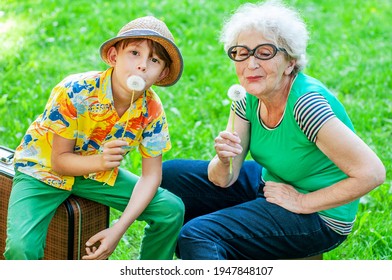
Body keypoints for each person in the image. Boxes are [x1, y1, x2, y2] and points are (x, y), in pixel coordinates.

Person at [160, 1, 386, 259]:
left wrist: (303, 202)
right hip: (274, 183)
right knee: (169, 176)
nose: (250, 64)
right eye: (241, 52)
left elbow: (372, 173)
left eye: (264, 52)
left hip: (320, 215)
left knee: (198, 235)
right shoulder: (246, 100)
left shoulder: (306, 105)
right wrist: (223, 159)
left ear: (290, 62)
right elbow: (224, 179)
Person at [4, 16, 185, 260]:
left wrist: (118, 229)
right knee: (21, 249)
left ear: (162, 73)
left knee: (170, 209)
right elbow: (59, 161)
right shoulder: (75, 91)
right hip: (42, 170)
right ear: (113, 57)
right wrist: (102, 162)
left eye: (153, 60)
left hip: (94, 175)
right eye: (134, 53)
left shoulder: (151, 109)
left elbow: (151, 176)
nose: (143, 65)